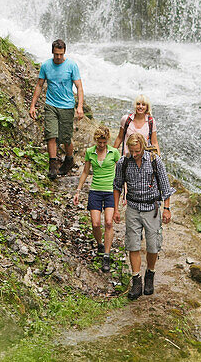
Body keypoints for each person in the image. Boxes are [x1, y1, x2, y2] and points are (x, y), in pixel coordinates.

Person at [113, 133, 174, 300]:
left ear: (142, 146)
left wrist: (167, 208)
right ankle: (136, 280)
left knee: (153, 245)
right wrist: (116, 210)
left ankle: (150, 274)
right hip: (132, 208)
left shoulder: (154, 161)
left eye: (137, 151)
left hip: (151, 208)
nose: (134, 154)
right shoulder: (123, 162)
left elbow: (165, 187)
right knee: (133, 244)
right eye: (131, 151)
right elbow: (117, 186)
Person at [29, 39, 85, 180]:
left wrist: (79, 106)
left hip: (67, 106)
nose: (58, 57)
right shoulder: (46, 66)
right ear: (52, 52)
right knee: (51, 134)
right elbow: (39, 85)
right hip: (51, 105)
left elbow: (79, 87)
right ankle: (52, 165)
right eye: (56, 54)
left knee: (66, 138)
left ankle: (69, 160)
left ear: (64, 52)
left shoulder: (71, 65)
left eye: (60, 54)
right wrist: (32, 105)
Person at [73, 125, 121, 272]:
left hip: (110, 191)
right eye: (99, 142)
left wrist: (123, 192)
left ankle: (106, 255)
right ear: (95, 140)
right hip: (95, 191)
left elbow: (120, 173)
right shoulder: (90, 152)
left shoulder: (114, 152)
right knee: (95, 223)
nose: (101, 145)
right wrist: (78, 191)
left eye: (104, 142)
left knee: (108, 222)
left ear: (107, 141)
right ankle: (100, 243)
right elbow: (86, 172)